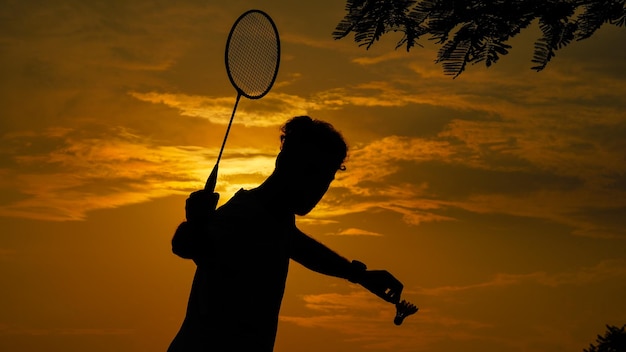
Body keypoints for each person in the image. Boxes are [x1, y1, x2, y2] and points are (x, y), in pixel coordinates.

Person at [168, 116, 405, 352]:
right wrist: (197, 221)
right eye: (311, 172)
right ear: (283, 162)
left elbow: (299, 246)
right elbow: (186, 245)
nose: (319, 188)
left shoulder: (277, 220)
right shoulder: (244, 216)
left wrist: (359, 275)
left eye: (327, 178)